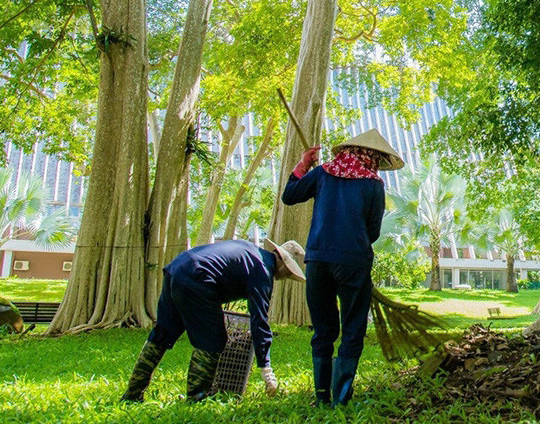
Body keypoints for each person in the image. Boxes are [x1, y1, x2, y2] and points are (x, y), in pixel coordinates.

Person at [282, 128, 404, 407]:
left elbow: (290, 195)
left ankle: (321, 397)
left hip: (317, 261)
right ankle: (341, 399)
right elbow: (372, 232)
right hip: (353, 263)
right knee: (352, 330)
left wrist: (303, 164)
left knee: (323, 330)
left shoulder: (322, 173)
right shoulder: (373, 184)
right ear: (372, 156)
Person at [121, 238, 305, 402]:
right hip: (199, 277)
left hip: (178, 268)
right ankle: (197, 396)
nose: (283, 277)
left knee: (163, 333)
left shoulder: (250, 251)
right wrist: (266, 370)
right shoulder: (263, 270)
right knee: (213, 340)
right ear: (281, 260)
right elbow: (259, 320)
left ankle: (132, 393)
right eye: (287, 271)